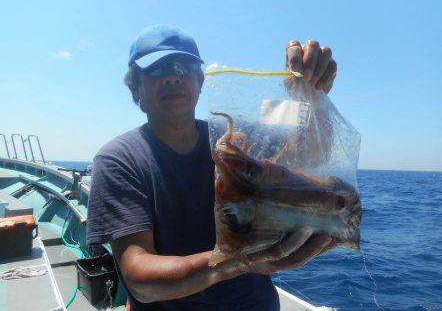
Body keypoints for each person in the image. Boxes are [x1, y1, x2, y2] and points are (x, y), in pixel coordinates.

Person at [87, 24, 338, 311]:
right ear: (135, 88)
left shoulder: (234, 143)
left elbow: (311, 152)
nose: (172, 76)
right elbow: (139, 277)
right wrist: (237, 261)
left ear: (201, 81)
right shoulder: (119, 159)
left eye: (184, 66)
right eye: (156, 69)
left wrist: (312, 94)